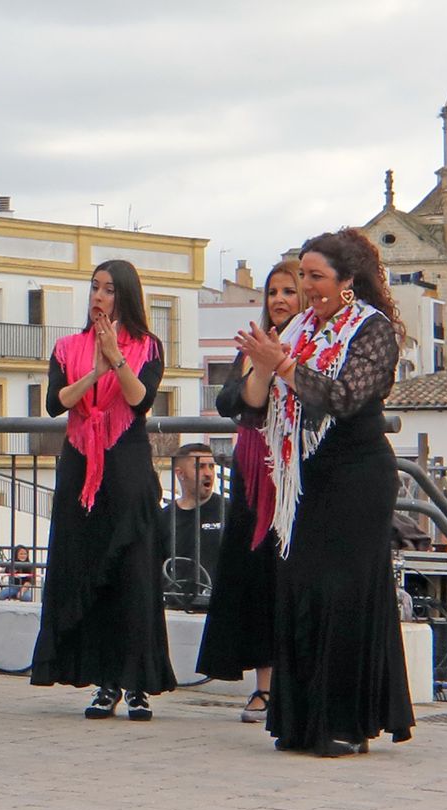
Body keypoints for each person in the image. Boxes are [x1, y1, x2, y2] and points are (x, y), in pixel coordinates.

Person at [234, 228, 414, 756]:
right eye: (303, 275)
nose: (308, 286)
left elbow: (343, 396)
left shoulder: (373, 329)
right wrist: (263, 368)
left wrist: (283, 365)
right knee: (302, 591)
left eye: (317, 276)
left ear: (347, 280)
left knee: (344, 596)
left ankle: (345, 723)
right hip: (305, 478)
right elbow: (250, 407)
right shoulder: (299, 330)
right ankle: (301, 722)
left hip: (357, 477)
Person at [30, 259, 176, 721]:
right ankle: (104, 682)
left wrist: (116, 359)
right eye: (95, 287)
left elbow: (139, 399)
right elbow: (55, 404)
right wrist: (93, 372)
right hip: (79, 465)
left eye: (109, 289)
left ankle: (137, 684)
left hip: (126, 465)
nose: (99, 296)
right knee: (88, 570)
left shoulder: (148, 346)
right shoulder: (68, 346)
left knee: (132, 574)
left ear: (126, 295)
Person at [198, 261, 302, 723]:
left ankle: (298, 685)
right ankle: (264, 687)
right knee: (258, 576)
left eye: (289, 291)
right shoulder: (254, 345)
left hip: (296, 473)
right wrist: (259, 365)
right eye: (273, 291)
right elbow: (228, 402)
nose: (279, 299)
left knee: (292, 576)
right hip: (252, 472)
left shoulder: (315, 344)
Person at [159, 443, 223, 610]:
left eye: (211, 466)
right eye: (200, 467)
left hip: (220, 609)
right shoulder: (164, 518)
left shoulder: (229, 512)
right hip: (176, 609)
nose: (208, 473)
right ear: (180, 473)